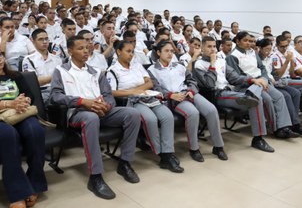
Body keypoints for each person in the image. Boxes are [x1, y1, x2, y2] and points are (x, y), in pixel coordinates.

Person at [50, 35, 141, 200]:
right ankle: (95, 176)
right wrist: (82, 102)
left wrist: (106, 106)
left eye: (87, 47)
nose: (85, 51)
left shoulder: (96, 72)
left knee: (133, 114)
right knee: (91, 118)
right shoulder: (61, 71)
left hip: (101, 111)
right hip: (78, 113)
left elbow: (108, 95)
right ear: (70, 51)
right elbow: (55, 97)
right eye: (80, 48)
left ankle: (125, 163)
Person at [107, 40, 184, 173]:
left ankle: (168, 152)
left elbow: (149, 83)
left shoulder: (137, 65)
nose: (131, 55)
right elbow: (112, 91)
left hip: (148, 96)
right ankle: (163, 155)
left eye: (132, 51)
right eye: (128, 51)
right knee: (150, 119)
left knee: (167, 116)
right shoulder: (112, 71)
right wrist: (132, 92)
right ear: (119, 52)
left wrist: (138, 89)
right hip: (131, 101)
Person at [148, 40, 228, 162]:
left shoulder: (179, 66)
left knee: (211, 110)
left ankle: (218, 146)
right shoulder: (152, 70)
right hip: (174, 98)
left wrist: (191, 90)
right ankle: (194, 148)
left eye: (171, 51)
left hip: (189, 93)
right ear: (158, 52)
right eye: (166, 51)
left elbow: (192, 81)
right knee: (193, 113)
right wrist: (171, 95)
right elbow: (156, 89)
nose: (170, 54)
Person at [193, 37, 275, 152]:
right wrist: (212, 64)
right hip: (216, 94)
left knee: (256, 99)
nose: (212, 49)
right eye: (209, 46)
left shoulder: (221, 61)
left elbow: (235, 78)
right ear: (202, 48)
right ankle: (249, 94)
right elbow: (209, 84)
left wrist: (252, 80)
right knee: (253, 98)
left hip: (229, 91)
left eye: (214, 46)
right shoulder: (198, 65)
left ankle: (258, 138)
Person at [0, 53, 47, 208]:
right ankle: (18, 192)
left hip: (19, 113)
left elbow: (30, 96)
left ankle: (35, 183)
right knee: (8, 135)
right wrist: (9, 104)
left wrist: (24, 101)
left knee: (35, 131)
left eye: (0, 56)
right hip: (1, 116)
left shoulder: (16, 76)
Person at [22, 29, 62, 104]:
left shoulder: (57, 58)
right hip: (41, 91)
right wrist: (55, 77)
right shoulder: (29, 60)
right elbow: (32, 82)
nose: (44, 42)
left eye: (46, 39)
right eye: (40, 39)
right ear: (33, 42)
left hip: (58, 90)